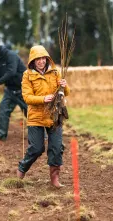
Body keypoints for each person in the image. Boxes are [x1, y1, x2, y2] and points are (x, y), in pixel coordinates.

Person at [16, 45, 70, 188]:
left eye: (43, 58)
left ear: (47, 59)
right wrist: (43, 99)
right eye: (37, 59)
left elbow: (66, 93)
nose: (41, 61)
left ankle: (55, 178)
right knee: (36, 148)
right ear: (33, 61)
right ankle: (22, 168)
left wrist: (65, 85)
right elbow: (27, 97)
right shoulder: (27, 75)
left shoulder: (55, 72)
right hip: (36, 117)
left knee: (56, 148)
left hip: (54, 116)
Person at [0, 41, 27, 141]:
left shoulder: (11, 56)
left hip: (23, 89)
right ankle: (1, 135)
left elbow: (11, 73)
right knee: (3, 109)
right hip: (10, 90)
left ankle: (42, 134)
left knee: (31, 112)